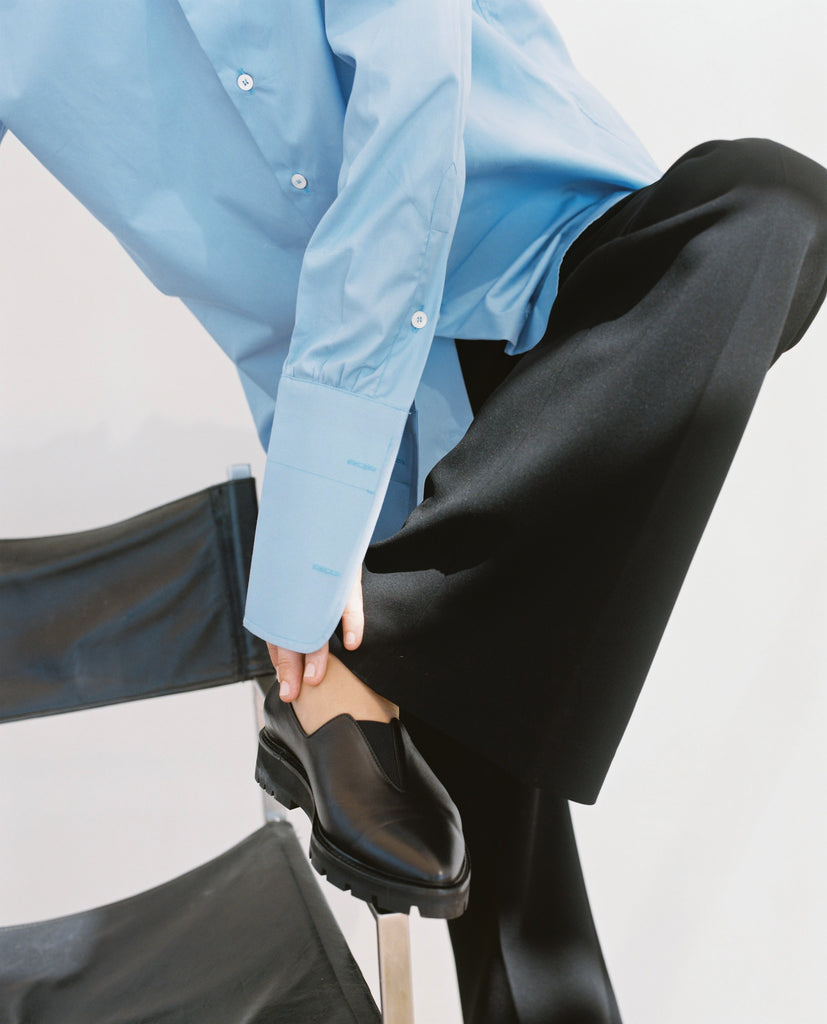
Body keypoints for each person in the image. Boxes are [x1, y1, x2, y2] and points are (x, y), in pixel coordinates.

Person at [1, 1, 825, 1020]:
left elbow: (410, 123)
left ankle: (359, 660)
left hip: (549, 281)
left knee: (769, 209)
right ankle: (372, 649)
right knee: (524, 918)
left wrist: (318, 533)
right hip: (363, 428)